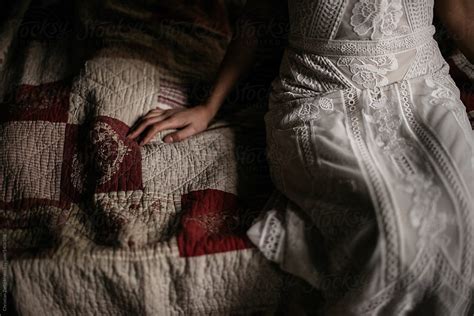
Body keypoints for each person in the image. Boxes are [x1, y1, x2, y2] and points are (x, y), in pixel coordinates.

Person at [128, 0, 474, 314]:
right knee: (396, 232)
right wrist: (208, 107)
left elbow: (459, 12)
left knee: (464, 213)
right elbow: (259, 18)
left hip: (422, 89)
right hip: (322, 95)